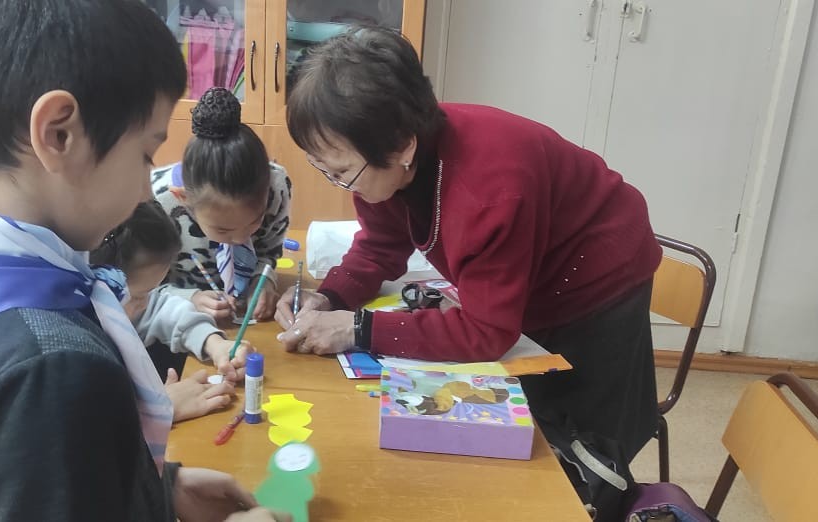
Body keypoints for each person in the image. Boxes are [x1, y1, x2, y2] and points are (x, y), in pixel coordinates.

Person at [0, 1, 286, 520]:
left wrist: (156, 490)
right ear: (59, 134)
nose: (146, 190)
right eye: (145, 154)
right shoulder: (51, 368)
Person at [274, 26, 662, 467]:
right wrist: (329, 296)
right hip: (527, 268)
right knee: (509, 425)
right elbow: (380, 245)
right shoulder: (386, 154)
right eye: (322, 168)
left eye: (342, 171)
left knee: (578, 448)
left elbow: (487, 332)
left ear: (403, 147)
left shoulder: (489, 190)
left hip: (594, 272)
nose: (338, 183)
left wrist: (358, 329)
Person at [91, 201, 253, 422]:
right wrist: (154, 410)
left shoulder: (114, 303)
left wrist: (214, 343)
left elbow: (161, 309)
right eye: (138, 296)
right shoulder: (68, 343)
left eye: (152, 291)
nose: (145, 304)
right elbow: (88, 425)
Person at [152, 87, 291, 324]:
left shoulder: (276, 187)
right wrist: (188, 299)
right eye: (223, 230)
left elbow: (268, 252)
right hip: (179, 325)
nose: (241, 239)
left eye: (255, 221)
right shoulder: (155, 205)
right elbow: (136, 290)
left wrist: (263, 280)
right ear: (183, 198)